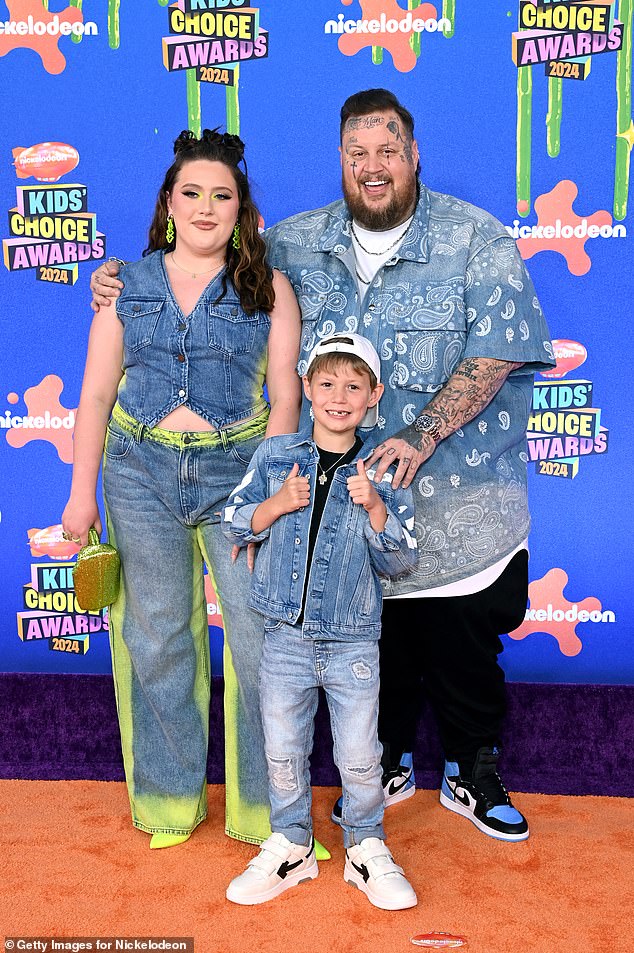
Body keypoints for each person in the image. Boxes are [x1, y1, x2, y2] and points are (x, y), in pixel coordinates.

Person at [90, 87, 556, 844]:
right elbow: (205, 266)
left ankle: (473, 766)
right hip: (339, 507)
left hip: (459, 505)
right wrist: (121, 281)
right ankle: (387, 760)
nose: (374, 167)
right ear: (341, 160)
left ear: (414, 155)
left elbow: (499, 347)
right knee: (366, 645)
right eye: (357, 153)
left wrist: (423, 433)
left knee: (463, 641)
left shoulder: (478, 238)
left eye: (389, 151)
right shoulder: (298, 243)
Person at [64, 129, 301, 849]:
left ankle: (268, 815)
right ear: (169, 202)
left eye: (221, 195)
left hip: (241, 477)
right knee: (158, 639)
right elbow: (97, 394)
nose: (205, 207)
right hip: (138, 475)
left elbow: (286, 400)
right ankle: (168, 803)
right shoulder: (125, 286)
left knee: (263, 645)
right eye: (191, 193)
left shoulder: (270, 287)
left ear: (242, 210)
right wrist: (83, 495)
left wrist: (268, 497)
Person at [222, 333, 418, 909]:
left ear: (372, 396)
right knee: (282, 748)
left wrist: (376, 508)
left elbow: (402, 559)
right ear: (306, 389)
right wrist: (277, 503)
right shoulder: (275, 456)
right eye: (326, 383)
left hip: (353, 638)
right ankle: (291, 845)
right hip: (283, 635)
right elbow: (238, 521)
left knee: (360, 756)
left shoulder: (381, 468)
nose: (339, 396)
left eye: (353, 386)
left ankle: (365, 846)